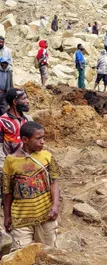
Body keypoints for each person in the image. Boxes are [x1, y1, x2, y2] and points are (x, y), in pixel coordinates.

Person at [2, 121, 60, 250]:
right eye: (38, 138)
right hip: (21, 219)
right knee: (20, 257)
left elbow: (54, 182)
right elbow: (7, 191)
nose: (43, 141)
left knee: (49, 255)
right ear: (25, 139)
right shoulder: (11, 161)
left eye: (43, 138)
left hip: (46, 216)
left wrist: (55, 205)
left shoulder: (46, 156)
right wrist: (7, 216)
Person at [0, 88, 32, 208]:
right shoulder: (2, 121)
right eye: (24, 98)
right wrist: (5, 164)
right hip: (10, 162)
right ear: (14, 101)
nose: (27, 101)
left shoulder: (28, 120)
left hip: (28, 160)